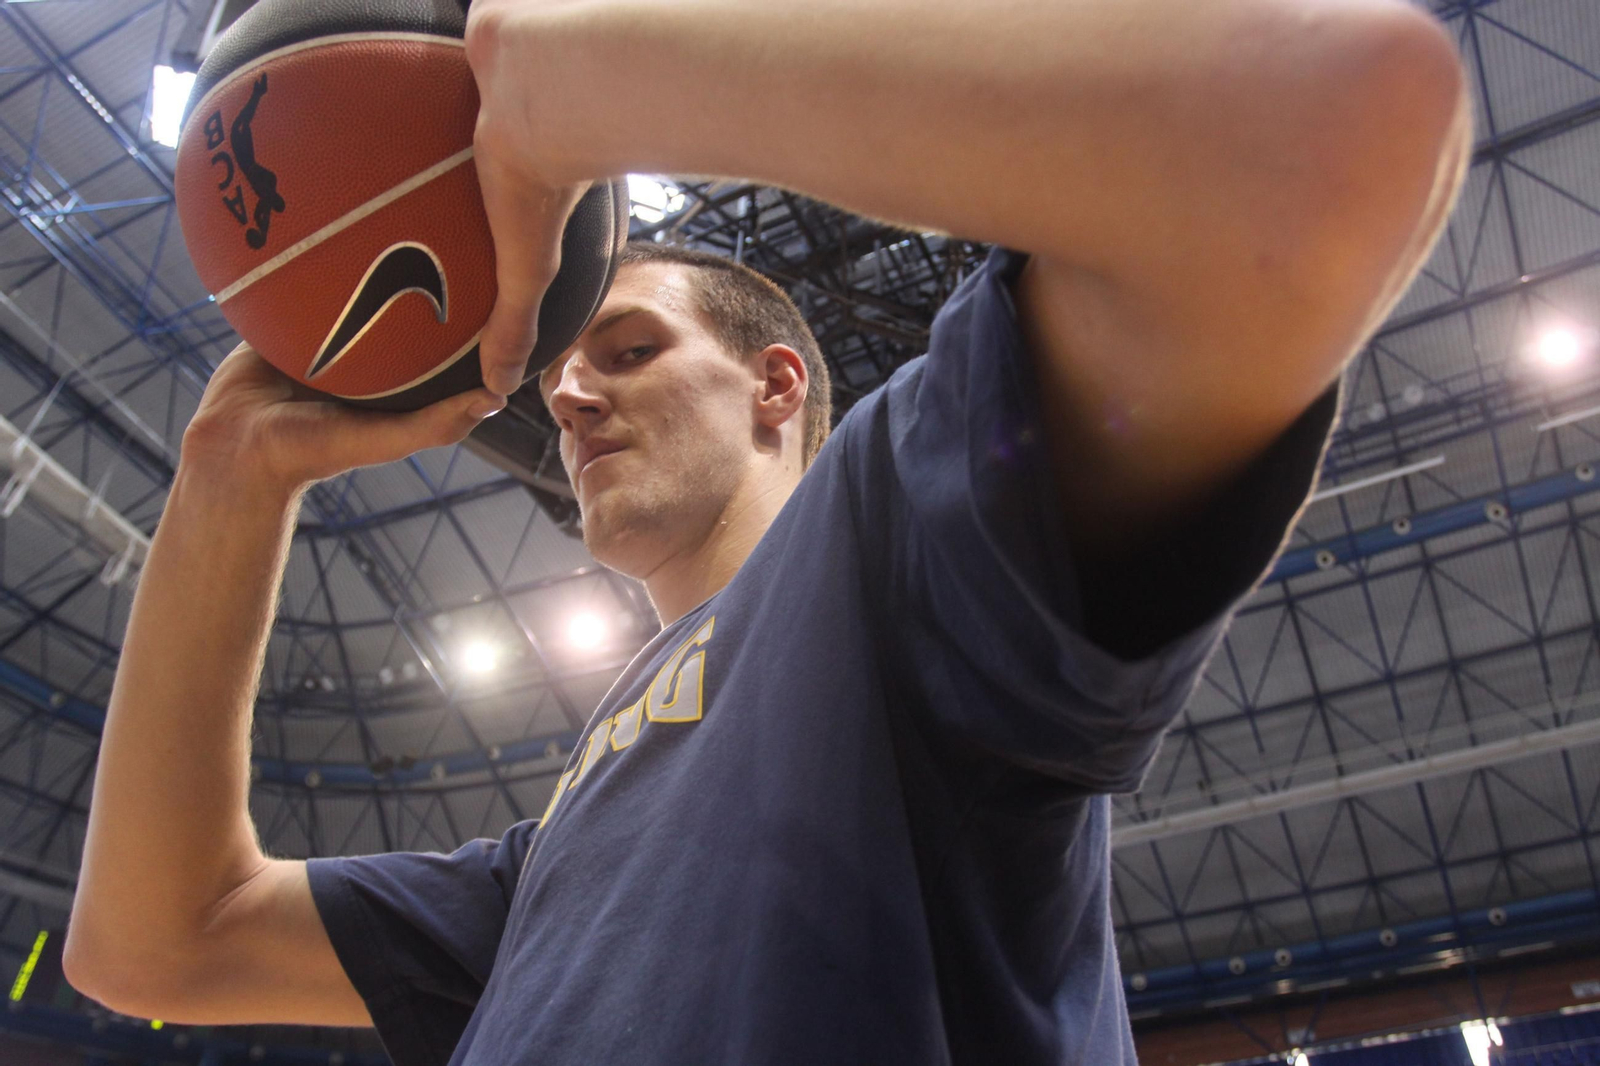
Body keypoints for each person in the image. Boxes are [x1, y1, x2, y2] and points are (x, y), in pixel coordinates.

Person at [63, 1, 1471, 1064]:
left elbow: (1322, 128)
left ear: (778, 385)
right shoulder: (558, 850)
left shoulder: (894, 544)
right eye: (572, 364)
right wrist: (231, 475)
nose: (565, 385)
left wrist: (564, 84)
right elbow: (149, 937)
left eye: (624, 345)